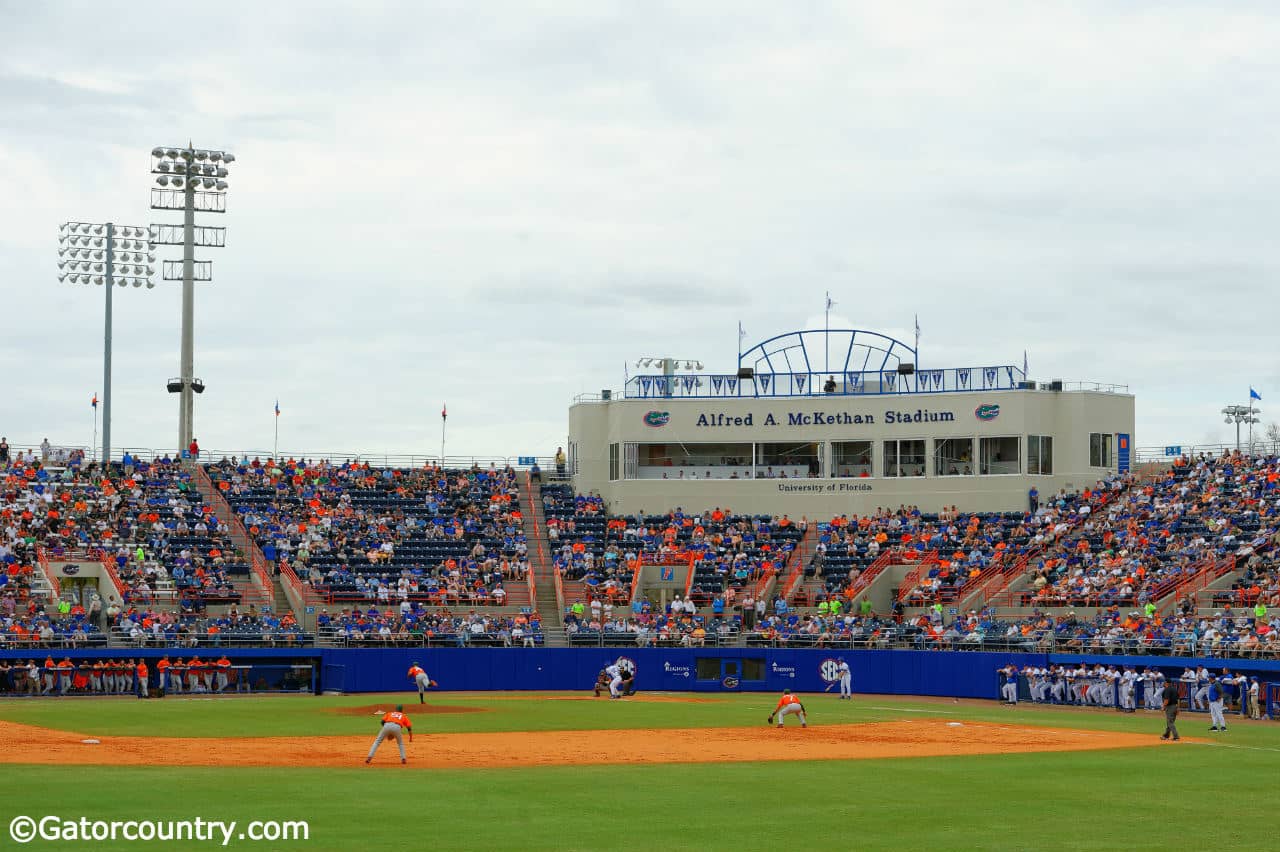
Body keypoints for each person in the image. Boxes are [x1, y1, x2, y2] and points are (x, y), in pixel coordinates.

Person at [1161, 676, 1181, 741]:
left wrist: (1163, 706)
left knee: (1170, 722)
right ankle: (1166, 735)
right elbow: (1178, 699)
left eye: (1164, 682)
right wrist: (1178, 708)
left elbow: (1166, 700)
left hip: (1170, 707)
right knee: (1169, 722)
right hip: (1175, 706)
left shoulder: (1167, 689)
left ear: (1166, 683)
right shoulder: (1174, 689)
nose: (1163, 683)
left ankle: (1176, 736)